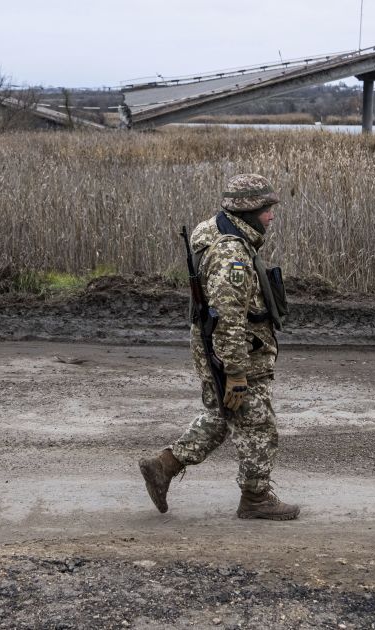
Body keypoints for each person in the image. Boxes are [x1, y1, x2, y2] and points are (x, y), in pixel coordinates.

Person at [138, 173, 298, 521]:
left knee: (223, 416)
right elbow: (228, 317)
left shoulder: (218, 232)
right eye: (267, 209)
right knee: (258, 424)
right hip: (236, 353)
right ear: (250, 211)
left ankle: (163, 466)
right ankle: (256, 499)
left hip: (220, 350)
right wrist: (236, 372)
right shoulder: (231, 254)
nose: (272, 216)